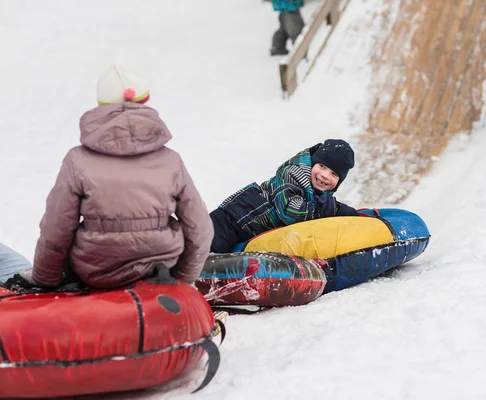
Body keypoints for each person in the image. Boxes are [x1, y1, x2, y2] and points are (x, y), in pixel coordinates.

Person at [31, 65, 213, 288]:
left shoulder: (77, 161)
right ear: (145, 104)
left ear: (100, 107)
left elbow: (56, 229)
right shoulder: (171, 161)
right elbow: (200, 228)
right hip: (162, 267)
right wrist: (183, 278)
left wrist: (45, 281)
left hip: (96, 272)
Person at [210, 139, 359, 253]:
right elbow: (290, 212)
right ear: (312, 163)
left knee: (225, 253)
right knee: (204, 248)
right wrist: (326, 209)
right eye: (322, 166)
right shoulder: (292, 174)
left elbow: (321, 207)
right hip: (233, 219)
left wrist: (342, 211)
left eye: (333, 174)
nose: (325, 175)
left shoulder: (316, 193)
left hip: (248, 231)